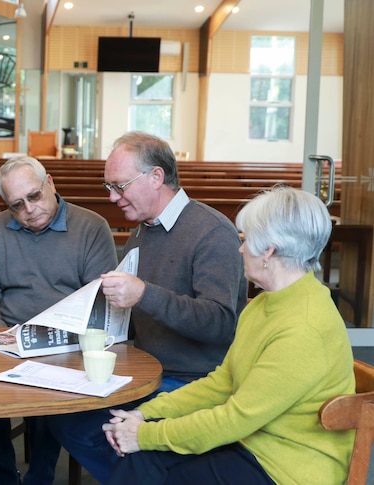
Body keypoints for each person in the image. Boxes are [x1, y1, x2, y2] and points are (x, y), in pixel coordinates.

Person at [102, 186, 354, 484]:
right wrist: (146, 414)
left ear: (269, 250)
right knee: (140, 461)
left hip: (285, 467)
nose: (240, 248)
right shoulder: (265, 303)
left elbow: (235, 418)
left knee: (148, 465)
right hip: (251, 442)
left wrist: (145, 435)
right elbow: (222, 383)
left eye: (246, 239)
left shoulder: (305, 327)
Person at [45, 131, 248, 483]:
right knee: (63, 415)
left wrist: (143, 294)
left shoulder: (211, 232)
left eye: (120, 186)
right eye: (109, 186)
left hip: (193, 380)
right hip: (145, 370)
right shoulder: (145, 231)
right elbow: (142, 315)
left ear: (156, 177)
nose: (112, 197)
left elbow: (219, 323)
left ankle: (147, 472)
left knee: (100, 428)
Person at [0, 155, 118, 485]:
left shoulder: (91, 227)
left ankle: (40, 476)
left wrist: (57, 340)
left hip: (68, 340)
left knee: (52, 390)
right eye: (16, 205)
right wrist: (4, 339)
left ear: (49, 182)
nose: (29, 210)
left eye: (34, 196)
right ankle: (2, 474)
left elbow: (100, 304)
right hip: (7, 337)